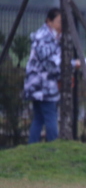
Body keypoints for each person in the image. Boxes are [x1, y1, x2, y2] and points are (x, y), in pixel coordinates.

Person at [24, 7, 62, 143]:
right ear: (49, 22)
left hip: (37, 85)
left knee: (39, 117)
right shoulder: (44, 37)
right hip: (42, 85)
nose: (62, 25)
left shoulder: (53, 37)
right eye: (59, 22)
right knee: (51, 117)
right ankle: (53, 148)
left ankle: (32, 147)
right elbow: (48, 63)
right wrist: (67, 68)